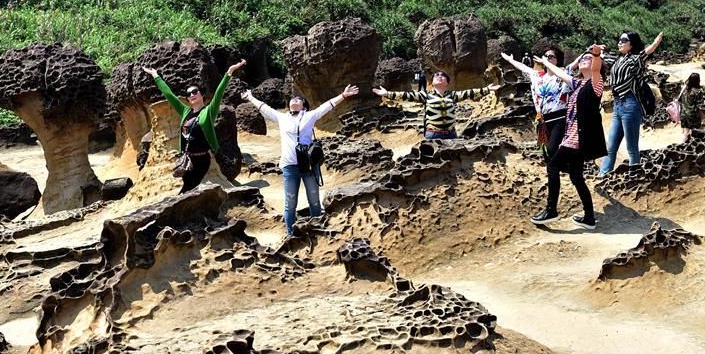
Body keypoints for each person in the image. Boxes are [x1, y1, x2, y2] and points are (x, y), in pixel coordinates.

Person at [242, 84, 359, 234]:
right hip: (289, 166)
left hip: (309, 165)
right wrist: (250, 97)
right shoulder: (282, 117)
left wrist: (343, 95)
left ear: (304, 106)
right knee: (290, 204)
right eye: (292, 99)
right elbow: (264, 108)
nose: (294, 100)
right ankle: (290, 234)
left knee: (314, 201)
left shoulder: (310, 116)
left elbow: (327, 105)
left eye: (298, 99)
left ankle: (317, 230)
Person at [142, 60, 246, 193]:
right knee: (188, 189)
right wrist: (155, 75)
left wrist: (229, 72)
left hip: (201, 160)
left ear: (201, 94)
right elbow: (169, 95)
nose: (192, 95)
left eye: (194, 91)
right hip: (187, 159)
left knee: (186, 190)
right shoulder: (185, 111)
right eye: (189, 94)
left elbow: (219, 93)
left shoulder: (208, 111)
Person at [530, 47, 607, 228]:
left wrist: (595, 54)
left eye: (588, 59)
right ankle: (589, 218)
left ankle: (551, 211)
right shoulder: (579, 84)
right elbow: (560, 73)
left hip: (577, 141)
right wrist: (546, 63)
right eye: (582, 59)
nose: (584, 61)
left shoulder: (596, 84)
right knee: (576, 177)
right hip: (571, 138)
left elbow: (595, 69)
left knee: (552, 167)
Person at [598, 31, 663, 176]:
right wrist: (598, 51)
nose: (619, 42)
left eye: (623, 40)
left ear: (631, 44)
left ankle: (635, 175)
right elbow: (601, 58)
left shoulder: (635, 59)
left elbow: (647, 52)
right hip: (618, 105)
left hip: (630, 105)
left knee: (631, 147)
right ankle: (603, 174)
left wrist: (656, 43)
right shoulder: (617, 59)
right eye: (619, 39)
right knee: (611, 146)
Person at [373, 71, 501, 139]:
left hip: (451, 134)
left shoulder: (452, 95)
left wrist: (487, 89)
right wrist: (387, 93)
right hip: (433, 134)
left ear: (447, 83)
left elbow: (468, 93)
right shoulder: (426, 95)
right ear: (432, 82)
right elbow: (407, 95)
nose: (440, 77)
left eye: (443, 76)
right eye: (436, 76)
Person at [500, 46, 574, 160]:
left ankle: (563, 166)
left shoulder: (563, 73)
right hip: (542, 119)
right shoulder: (537, 76)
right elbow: (523, 67)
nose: (548, 58)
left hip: (559, 117)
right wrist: (510, 60)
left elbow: (575, 64)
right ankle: (554, 174)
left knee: (552, 149)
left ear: (557, 60)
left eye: (552, 56)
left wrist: (591, 53)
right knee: (545, 152)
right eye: (546, 56)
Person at [678, 73, 705, 143]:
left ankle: (682, 144)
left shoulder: (684, 89)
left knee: (685, 131)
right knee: (693, 133)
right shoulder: (697, 91)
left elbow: (680, 100)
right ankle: (686, 144)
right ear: (697, 80)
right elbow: (700, 105)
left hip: (683, 113)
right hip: (693, 115)